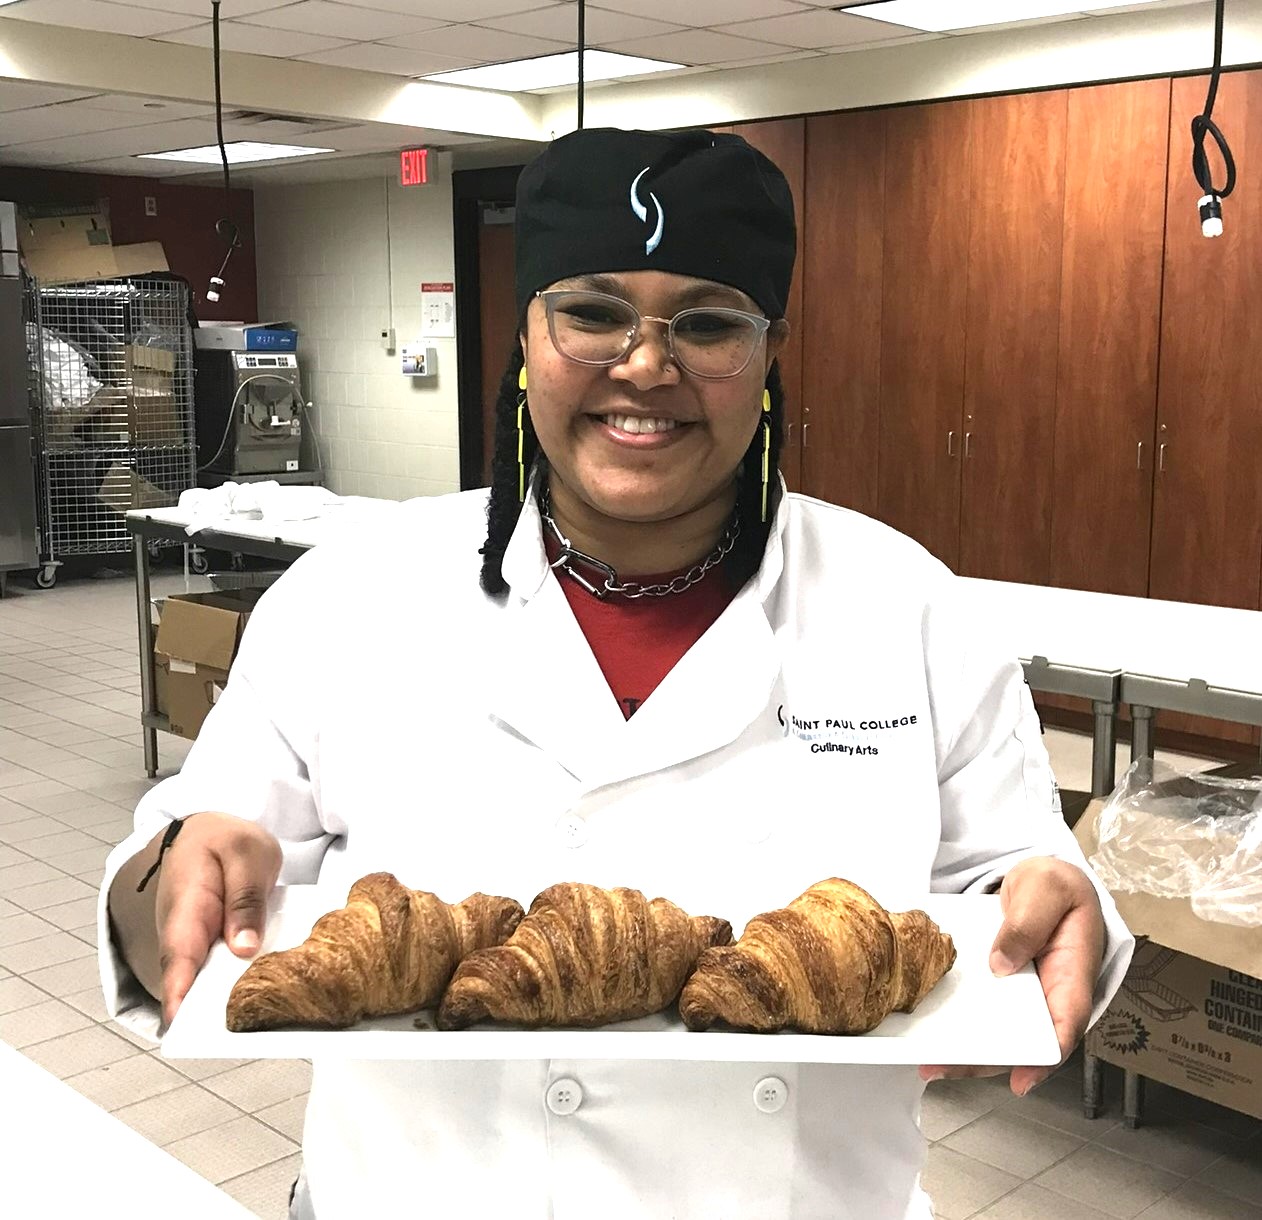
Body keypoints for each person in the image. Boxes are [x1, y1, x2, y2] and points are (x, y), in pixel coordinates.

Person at [101, 128, 1133, 1220]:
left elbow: (1024, 888)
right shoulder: (352, 593)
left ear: (769, 348)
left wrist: (1070, 918)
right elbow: (157, 888)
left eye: (705, 323)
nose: (645, 364)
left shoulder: (904, 604)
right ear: (527, 334)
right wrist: (171, 870)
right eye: (592, 312)